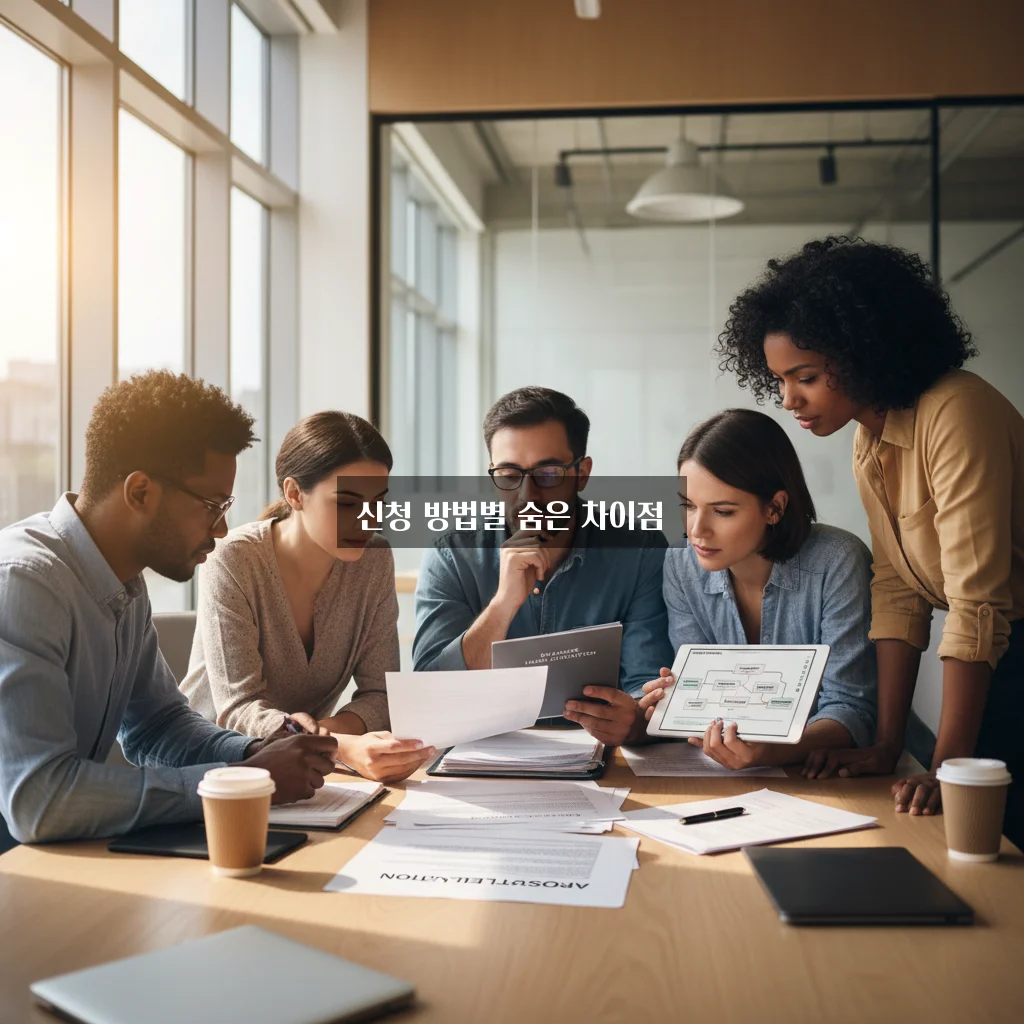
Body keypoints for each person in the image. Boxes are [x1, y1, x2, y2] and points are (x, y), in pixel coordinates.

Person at [716, 235, 1023, 846]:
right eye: (778, 380)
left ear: (863, 353)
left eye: (804, 376)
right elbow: (899, 591)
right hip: (1001, 652)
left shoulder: (955, 411)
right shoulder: (870, 436)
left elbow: (977, 603)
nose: (788, 400)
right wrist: (886, 744)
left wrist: (947, 767)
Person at [0, 371, 337, 847]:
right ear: (140, 492)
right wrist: (233, 785)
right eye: (212, 504)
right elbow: (39, 800)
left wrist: (252, 752)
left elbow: (156, 726)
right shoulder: (23, 582)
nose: (221, 530)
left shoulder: (123, 582)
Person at [413, 386, 675, 747]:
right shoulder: (452, 554)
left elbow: (648, 689)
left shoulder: (639, 551)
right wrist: (502, 604)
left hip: (605, 766)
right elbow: (427, 695)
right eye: (508, 473)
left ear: (582, 473)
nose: (527, 495)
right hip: (481, 760)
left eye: (548, 473)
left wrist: (632, 721)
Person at [181, 412, 433, 783]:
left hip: (304, 772)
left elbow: (381, 693)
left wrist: (320, 738)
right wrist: (337, 746)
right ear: (295, 494)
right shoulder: (234, 558)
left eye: (378, 501)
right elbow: (237, 710)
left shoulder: (373, 560)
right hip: (211, 769)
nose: (368, 521)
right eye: (347, 503)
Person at [637, 409, 877, 768]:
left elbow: (851, 708)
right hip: (730, 775)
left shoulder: (838, 560)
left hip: (839, 774)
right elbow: (712, 705)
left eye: (722, 511)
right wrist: (677, 704)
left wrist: (771, 751)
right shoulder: (680, 563)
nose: (696, 530)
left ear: (774, 508)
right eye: (687, 506)